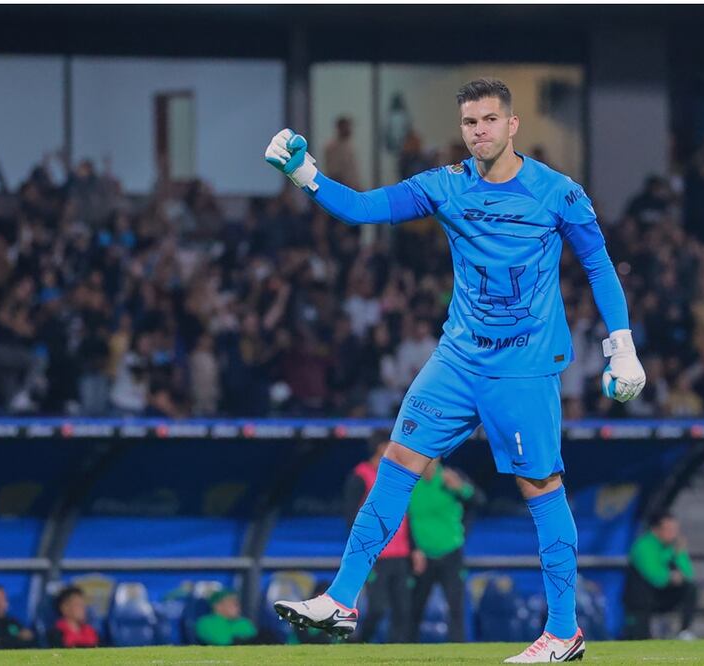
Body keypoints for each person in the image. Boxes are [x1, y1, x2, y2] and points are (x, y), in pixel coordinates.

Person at [267, 77, 646, 663]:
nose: (479, 132)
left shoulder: (558, 193)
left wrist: (622, 346)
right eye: (470, 123)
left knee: (540, 486)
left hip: (523, 368)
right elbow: (365, 209)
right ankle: (341, 599)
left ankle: (565, 632)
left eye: (490, 120)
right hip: (457, 358)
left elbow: (597, 264)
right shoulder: (445, 186)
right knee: (395, 462)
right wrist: (305, 175)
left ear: (513, 124)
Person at [342, 436, 414, 643]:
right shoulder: (360, 476)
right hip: (376, 555)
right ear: (382, 447)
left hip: (401, 553)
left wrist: (414, 548)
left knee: (403, 609)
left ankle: (395, 652)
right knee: (378, 608)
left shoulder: (398, 476)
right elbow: (350, 517)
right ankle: (360, 643)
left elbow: (407, 515)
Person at [408, 459, 485, 642]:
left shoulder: (450, 477)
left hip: (451, 552)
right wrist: (413, 549)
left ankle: (458, 652)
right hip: (422, 556)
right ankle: (406, 653)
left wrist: (460, 487)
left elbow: (479, 500)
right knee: (414, 609)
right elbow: (403, 518)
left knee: (456, 608)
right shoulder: (410, 481)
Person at [622, 513, 698, 641]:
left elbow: (689, 575)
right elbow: (654, 576)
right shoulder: (643, 545)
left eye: (675, 530)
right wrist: (671, 576)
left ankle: (684, 632)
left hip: (662, 595)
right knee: (640, 637)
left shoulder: (673, 547)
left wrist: (679, 554)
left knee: (691, 589)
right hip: (642, 598)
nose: (673, 534)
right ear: (655, 529)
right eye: (669, 530)